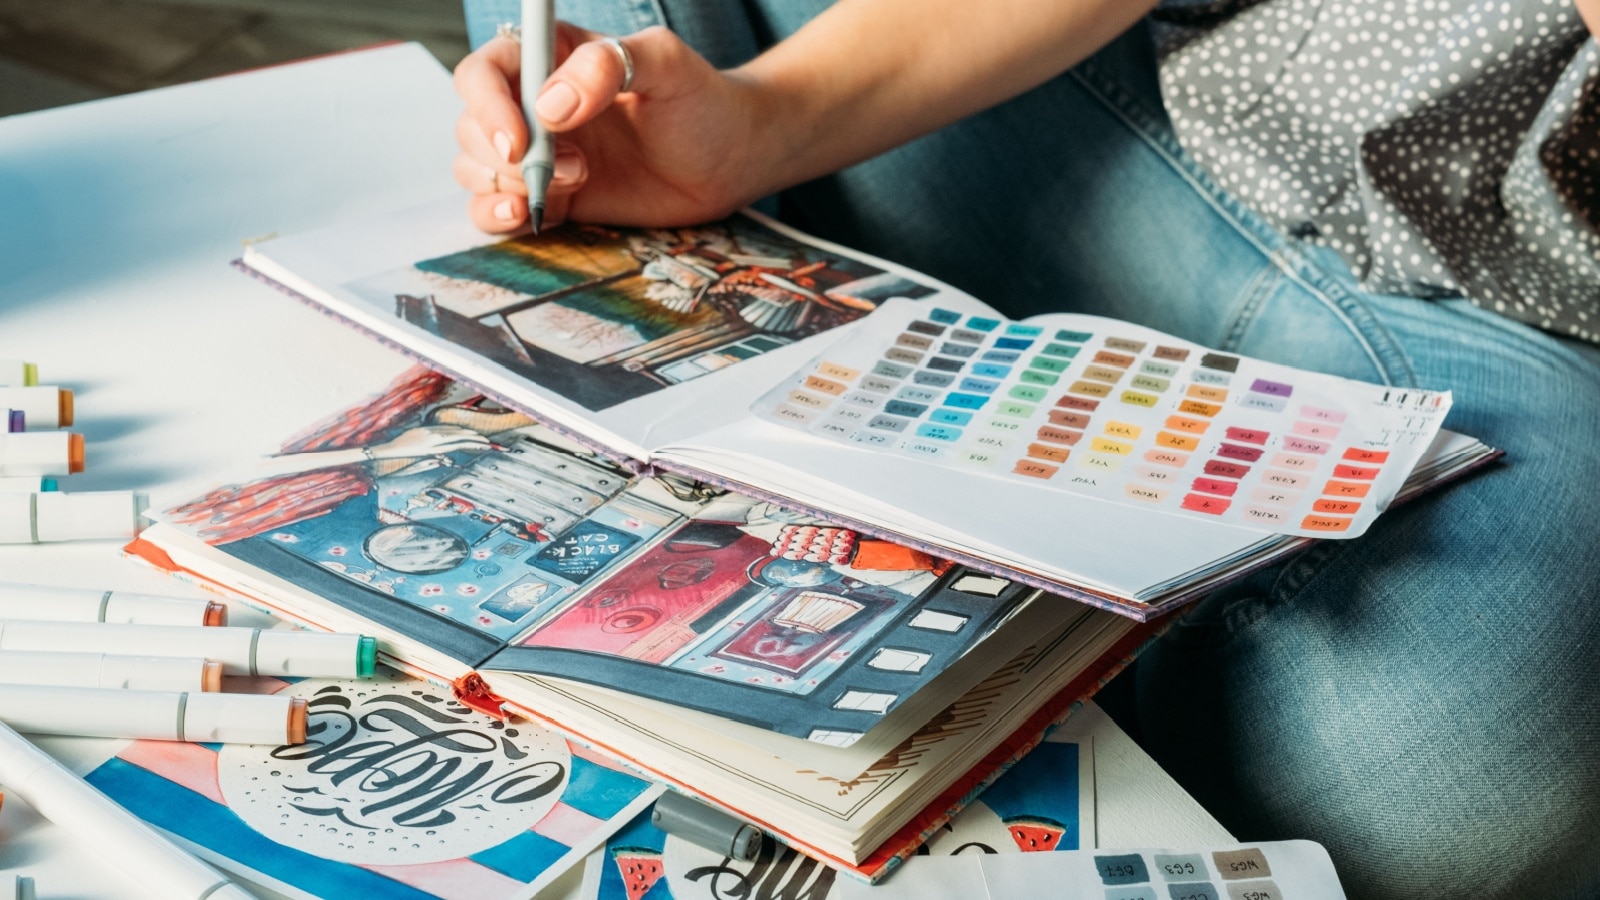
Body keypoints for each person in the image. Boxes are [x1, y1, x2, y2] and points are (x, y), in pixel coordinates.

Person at [450, 2, 1600, 897]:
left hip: (1521, 300)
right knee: (595, 89)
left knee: (1450, 776)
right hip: (1126, 107)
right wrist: (760, 122)